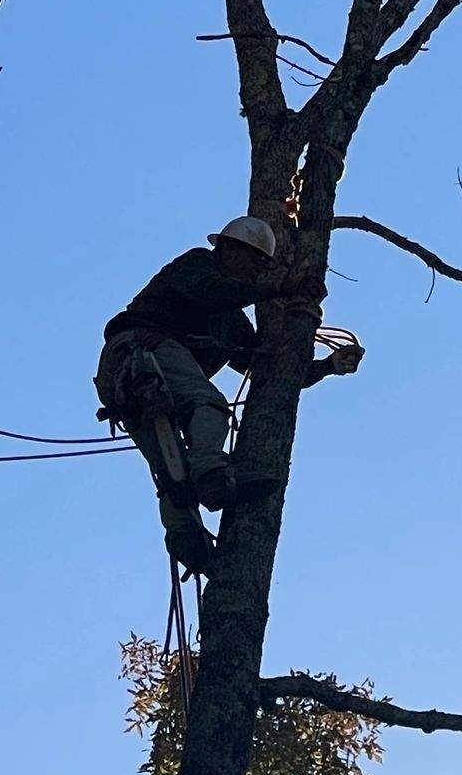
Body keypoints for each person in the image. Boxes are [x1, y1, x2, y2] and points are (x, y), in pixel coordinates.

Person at [96, 216, 363, 574]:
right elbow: (211, 292)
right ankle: (211, 475)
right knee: (208, 404)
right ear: (226, 247)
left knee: (172, 471)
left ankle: (190, 544)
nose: (257, 270)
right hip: (141, 350)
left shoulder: (230, 321)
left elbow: (264, 369)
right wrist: (280, 286)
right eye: (254, 260)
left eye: (263, 265)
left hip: (142, 383)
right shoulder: (196, 266)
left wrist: (328, 365)